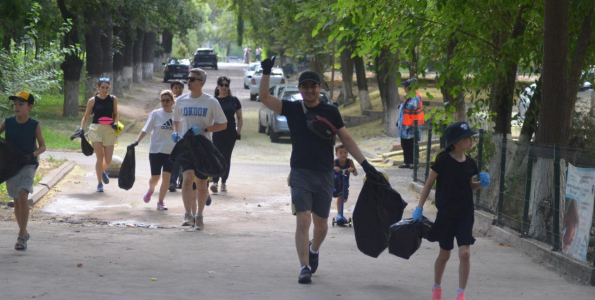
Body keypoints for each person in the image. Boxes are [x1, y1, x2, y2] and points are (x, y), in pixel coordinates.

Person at [258, 56, 381, 284]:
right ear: (300, 89)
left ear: (319, 88)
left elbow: (346, 138)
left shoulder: (331, 111)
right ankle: (304, 266)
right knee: (303, 219)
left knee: (322, 224)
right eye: (305, 87)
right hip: (300, 173)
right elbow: (264, 97)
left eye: (313, 86)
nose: (309, 90)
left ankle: (314, 250)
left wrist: (366, 165)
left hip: (325, 174)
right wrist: (266, 71)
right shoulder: (293, 109)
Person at [413, 121, 491, 300]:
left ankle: (460, 293)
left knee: (465, 253)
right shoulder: (443, 161)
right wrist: (418, 208)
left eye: (471, 138)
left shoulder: (470, 163)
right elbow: (429, 184)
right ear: (456, 142)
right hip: (446, 214)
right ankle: (436, 287)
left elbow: (468, 187)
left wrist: (481, 185)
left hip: (465, 214)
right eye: (467, 138)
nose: (471, 141)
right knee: (445, 254)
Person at [172, 68, 227, 230]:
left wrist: (204, 130)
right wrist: (176, 133)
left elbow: (223, 124)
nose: (188, 81)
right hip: (186, 145)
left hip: (203, 147)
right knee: (187, 178)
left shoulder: (211, 102)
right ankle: (188, 215)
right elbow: (177, 119)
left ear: (201, 83)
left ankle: (199, 216)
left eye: (192, 79)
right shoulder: (181, 101)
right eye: (188, 78)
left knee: (202, 183)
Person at [0, 91, 46, 251]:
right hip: (11, 165)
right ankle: (24, 231)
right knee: (17, 200)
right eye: (15, 104)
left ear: (30, 107)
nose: (16, 107)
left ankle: (21, 234)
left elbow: (42, 146)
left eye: (21, 104)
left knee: (23, 195)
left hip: (28, 163)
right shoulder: (8, 122)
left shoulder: (34, 125)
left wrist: (32, 155)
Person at [129, 90, 176, 210]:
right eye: (163, 100)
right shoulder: (156, 114)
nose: (165, 103)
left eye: (167, 100)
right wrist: (137, 141)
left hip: (170, 151)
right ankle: (151, 189)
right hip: (155, 150)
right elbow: (146, 129)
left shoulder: (176, 115)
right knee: (155, 177)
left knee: (166, 177)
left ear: (172, 102)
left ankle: (161, 202)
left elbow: (180, 131)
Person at [77, 78, 119, 192]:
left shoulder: (113, 99)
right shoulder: (92, 100)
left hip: (109, 129)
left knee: (108, 160)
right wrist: (82, 129)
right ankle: (99, 183)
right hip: (96, 129)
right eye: (102, 87)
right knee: (100, 157)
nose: (105, 90)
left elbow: (116, 114)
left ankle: (101, 171)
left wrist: (115, 123)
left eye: (107, 88)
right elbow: (85, 117)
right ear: (98, 88)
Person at [211, 76, 243, 193]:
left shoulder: (234, 100)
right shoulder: (213, 101)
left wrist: (237, 132)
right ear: (218, 86)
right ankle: (215, 181)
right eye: (222, 85)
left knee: (226, 157)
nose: (224, 87)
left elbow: (239, 118)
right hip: (217, 132)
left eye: (226, 85)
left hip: (230, 134)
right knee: (216, 157)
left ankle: (223, 182)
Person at [397, 78, 424, 169]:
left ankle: (414, 163)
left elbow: (412, 107)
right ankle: (406, 162)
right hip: (405, 125)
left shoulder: (416, 96)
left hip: (413, 125)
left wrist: (405, 101)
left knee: (412, 144)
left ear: (410, 87)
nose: (404, 88)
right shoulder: (409, 95)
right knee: (404, 144)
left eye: (405, 86)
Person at [332, 144, 357, 223]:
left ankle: (340, 213)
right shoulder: (335, 161)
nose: (343, 154)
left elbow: (355, 173)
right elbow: (330, 171)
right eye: (341, 153)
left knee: (344, 197)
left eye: (345, 152)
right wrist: (334, 169)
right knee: (339, 195)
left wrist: (352, 170)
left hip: (345, 181)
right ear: (336, 154)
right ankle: (339, 214)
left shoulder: (349, 161)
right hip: (337, 181)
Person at [169, 80, 185, 192]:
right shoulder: (167, 101)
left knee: (180, 159)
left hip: (182, 134)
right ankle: (172, 181)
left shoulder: (185, 101)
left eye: (180, 88)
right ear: (172, 89)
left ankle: (179, 181)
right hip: (170, 134)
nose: (178, 90)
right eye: (175, 87)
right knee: (172, 160)